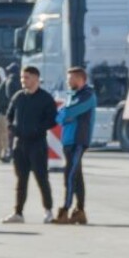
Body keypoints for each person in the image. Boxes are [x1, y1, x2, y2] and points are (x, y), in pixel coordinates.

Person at [2, 66, 57, 224]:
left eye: (26, 77)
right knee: (21, 179)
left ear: (35, 78)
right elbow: (9, 115)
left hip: (37, 143)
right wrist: (12, 128)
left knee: (41, 178)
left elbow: (52, 119)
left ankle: (48, 210)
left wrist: (38, 129)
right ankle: (18, 212)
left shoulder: (45, 98)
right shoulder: (18, 97)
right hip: (20, 144)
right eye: (22, 77)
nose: (23, 80)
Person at [54, 66, 97, 224]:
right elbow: (59, 116)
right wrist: (64, 116)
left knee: (70, 175)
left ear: (80, 79)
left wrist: (65, 116)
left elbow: (67, 113)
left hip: (78, 141)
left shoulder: (87, 95)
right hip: (68, 141)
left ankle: (65, 210)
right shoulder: (73, 95)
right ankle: (80, 211)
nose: (67, 81)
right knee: (77, 176)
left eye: (70, 78)